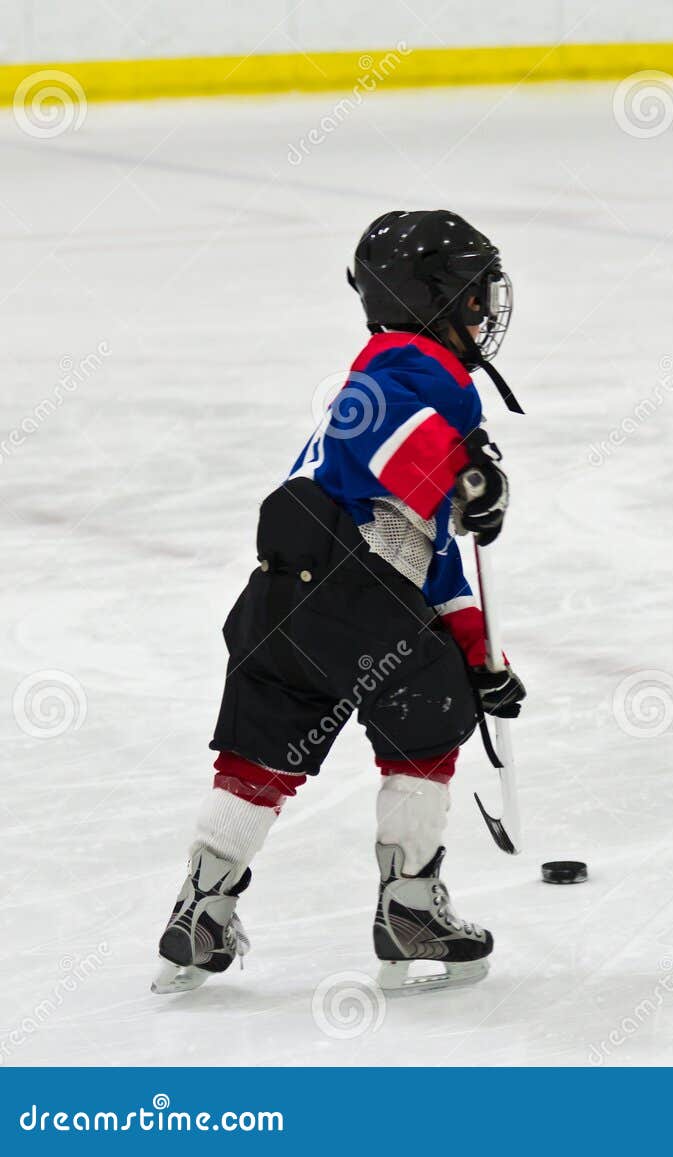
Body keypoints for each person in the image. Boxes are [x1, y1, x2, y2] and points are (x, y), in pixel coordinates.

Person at [152, 210, 527, 996]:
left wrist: (478, 650)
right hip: (363, 595)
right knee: (425, 724)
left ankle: (204, 904)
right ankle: (411, 905)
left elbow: (433, 553)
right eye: (471, 300)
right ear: (432, 302)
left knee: (259, 753)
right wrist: (461, 472)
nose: (485, 314)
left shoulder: (380, 381)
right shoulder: (409, 367)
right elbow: (388, 430)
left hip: (281, 598)